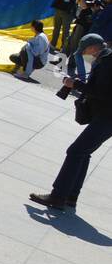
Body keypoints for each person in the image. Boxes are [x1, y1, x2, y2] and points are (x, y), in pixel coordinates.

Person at [30, 34, 112, 211]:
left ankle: (58, 196)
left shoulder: (107, 61)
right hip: (105, 116)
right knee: (83, 152)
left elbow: (101, 92)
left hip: (107, 117)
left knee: (75, 151)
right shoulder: (106, 58)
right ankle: (71, 196)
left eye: (84, 50)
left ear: (93, 48)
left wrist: (75, 84)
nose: (84, 54)